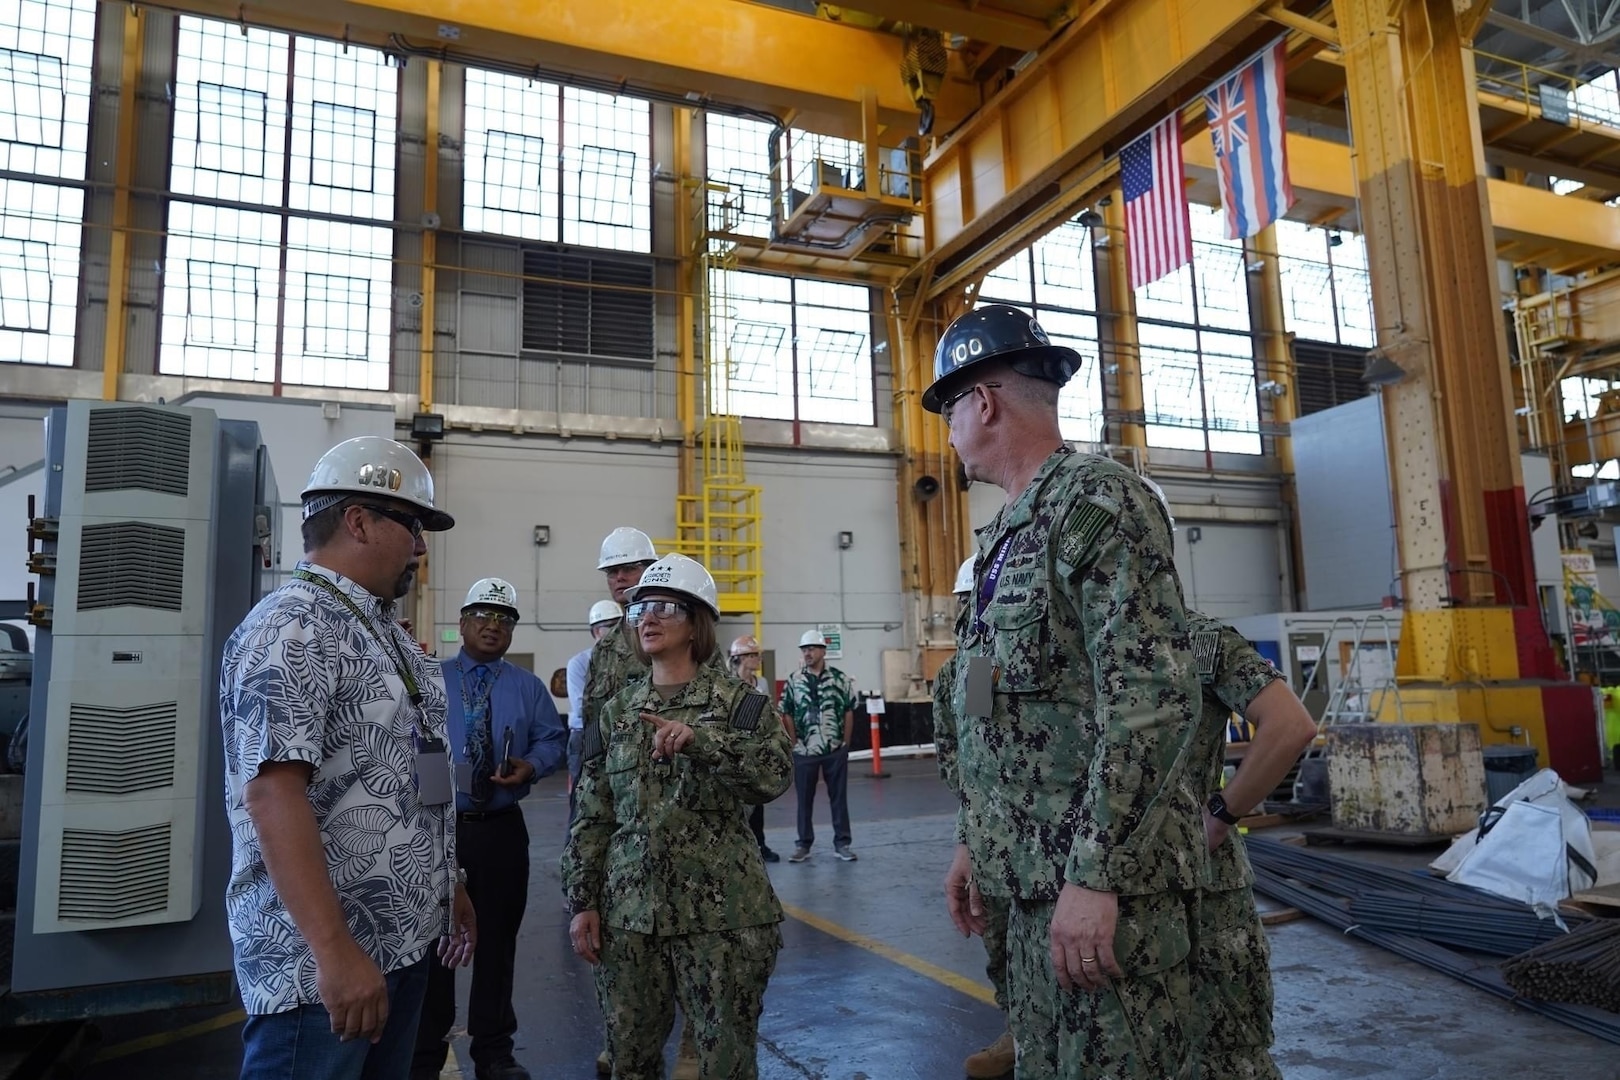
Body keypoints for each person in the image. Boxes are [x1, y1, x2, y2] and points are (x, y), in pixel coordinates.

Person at [931, 304, 1208, 1080]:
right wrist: (972, 837)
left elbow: (1150, 701)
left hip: (1096, 895)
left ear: (982, 403)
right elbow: (982, 698)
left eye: (948, 409)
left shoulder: (1096, 505)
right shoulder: (1003, 540)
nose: (946, 432)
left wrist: (1098, 874)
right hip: (1024, 884)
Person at [220, 435, 476, 1080]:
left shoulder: (377, 630)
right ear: (359, 520)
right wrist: (336, 954)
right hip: (326, 976)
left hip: (400, 942)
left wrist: (450, 882)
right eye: (413, 526)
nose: (421, 546)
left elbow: (413, 774)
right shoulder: (293, 626)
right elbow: (274, 793)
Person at [562, 554, 792, 1080]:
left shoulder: (741, 704)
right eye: (641, 607)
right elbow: (593, 814)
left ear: (697, 624)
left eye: (665, 607)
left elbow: (773, 777)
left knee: (726, 1064)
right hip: (629, 919)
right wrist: (582, 901)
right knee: (630, 1063)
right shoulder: (617, 713)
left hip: (722, 919)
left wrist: (703, 743)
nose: (648, 617)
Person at [412, 578, 568, 1080]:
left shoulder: (527, 687)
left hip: (501, 829)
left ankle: (494, 1051)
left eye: (504, 618)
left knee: (498, 942)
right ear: (461, 624)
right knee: (435, 941)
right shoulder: (431, 679)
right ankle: (425, 1051)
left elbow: (553, 739)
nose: (492, 625)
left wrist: (533, 765)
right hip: (440, 828)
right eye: (481, 615)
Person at [581, 527, 720, 1079]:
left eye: (632, 568)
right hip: (627, 801)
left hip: (689, 807)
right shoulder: (607, 649)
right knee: (627, 941)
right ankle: (626, 1037)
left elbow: (720, 716)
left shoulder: (688, 628)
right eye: (612, 571)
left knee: (695, 929)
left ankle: (690, 1040)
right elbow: (594, 734)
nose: (620, 578)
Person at [934, 557, 1014, 1080]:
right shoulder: (970, 669)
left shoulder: (1000, 657)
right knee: (1002, 940)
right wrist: (972, 834)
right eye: (964, 606)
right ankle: (1020, 1031)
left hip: (1047, 833)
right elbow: (966, 757)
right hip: (992, 832)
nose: (970, 615)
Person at [780, 630, 860, 863]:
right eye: (804, 649)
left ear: (823, 651)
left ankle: (842, 843)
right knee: (804, 800)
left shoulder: (839, 678)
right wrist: (794, 743)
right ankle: (803, 844)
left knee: (839, 798)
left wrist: (845, 742)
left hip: (834, 750)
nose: (807, 653)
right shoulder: (794, 680)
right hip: (804, 751)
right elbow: (786, 712)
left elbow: (849, 709)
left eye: (811, 649)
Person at [567, 600, 624, 821]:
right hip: (587, 736)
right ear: (595, 631)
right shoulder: (580, 663)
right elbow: (583, 708)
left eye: (618, 626)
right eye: (608, 626)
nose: (615, 633)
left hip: (620, 735)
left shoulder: (632, 662)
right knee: (584, 803)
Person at [729, 635, 784, 862]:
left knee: (757, 801)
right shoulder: (727, 683)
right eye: (753, 655)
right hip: (734, 748)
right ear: (740, 658)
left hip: (757, 748)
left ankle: (760, 845)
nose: (758, 659)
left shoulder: (761, 684)